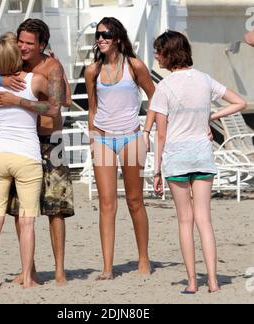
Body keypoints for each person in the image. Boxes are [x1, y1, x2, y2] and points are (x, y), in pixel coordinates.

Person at [0, 19, 74, 286]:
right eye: (20, 41)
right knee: (18, 210)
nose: (22, 47)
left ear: (42, 45)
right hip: (21, 144)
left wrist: (19, 101)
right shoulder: (12, 61)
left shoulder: (52, 66)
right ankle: (30, 270)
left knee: (55, 209)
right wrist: (1, 78)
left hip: (50, 141)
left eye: (28, 43)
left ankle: (59, 271)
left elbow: (60, 104)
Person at [149, 30, 247, 293]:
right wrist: (211, 118)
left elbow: (160, 133)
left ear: (169, 53)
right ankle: (213, 281)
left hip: (177, 157)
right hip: (202, 153)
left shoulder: (164, 87)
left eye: (158, 51)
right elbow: (240, 102)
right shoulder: (204, 79)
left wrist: (156, 170)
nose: (156, 56)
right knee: (205, 220)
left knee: (185, 221)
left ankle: (192, 283)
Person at [85, 17, 155, 279]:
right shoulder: (92, 70)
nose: (100, 39)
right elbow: (92, 108)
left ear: (117, 37)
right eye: (98, 35)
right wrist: (92, 138)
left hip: (131, 137)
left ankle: (144, 259)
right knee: (106, 203)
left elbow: (154, 96)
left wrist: (146, 131)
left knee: (135, 201)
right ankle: (107, 267)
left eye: (105, 34)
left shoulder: (135, 66)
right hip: (103, 139)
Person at [0, 32, 50, 290]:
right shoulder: (36, 80)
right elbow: (54, 105)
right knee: (27, 220)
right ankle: (27, 278)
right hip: (26, 154)